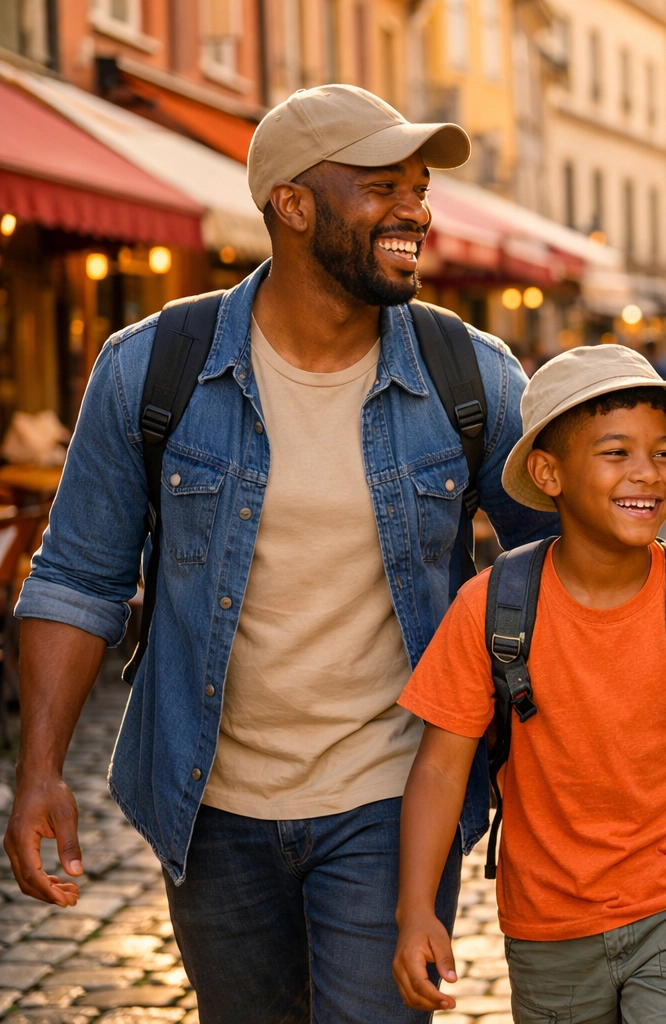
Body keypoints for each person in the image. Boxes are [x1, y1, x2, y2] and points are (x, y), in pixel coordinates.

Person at [4, 84, 557, 1023]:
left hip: (395, 795)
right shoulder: (150, 368)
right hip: (208, 803)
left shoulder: (470, 374)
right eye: (383, 186)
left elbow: (564, 570)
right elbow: (76, 578)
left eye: (420, 188)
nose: (416, 211)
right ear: (292, 205)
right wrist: (40, 771)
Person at [390, 344, 666, 1020]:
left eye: (663, 453)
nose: (648, 473)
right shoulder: (491, 608)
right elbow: (439, 768)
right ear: (548, 472)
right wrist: (415, 911)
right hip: (548, 924)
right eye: (617, 453)